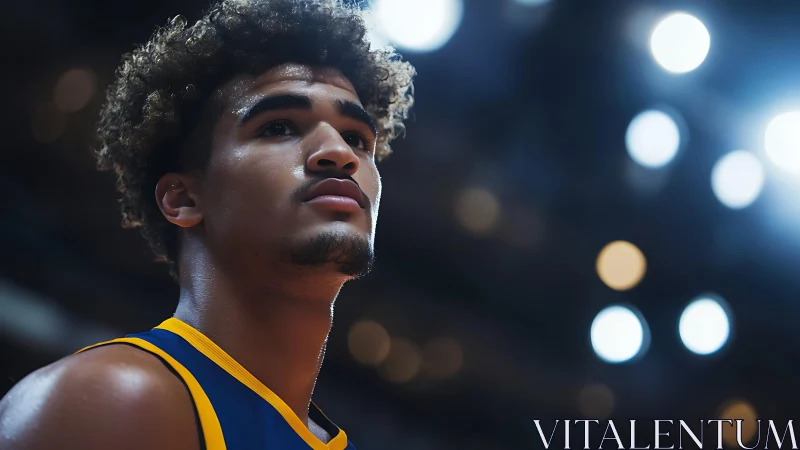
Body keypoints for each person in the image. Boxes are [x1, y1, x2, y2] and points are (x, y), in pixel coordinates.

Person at [0, 0, 415, 448]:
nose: (340, 153)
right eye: (278, 127)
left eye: (357, 138)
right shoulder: (114, 399)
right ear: (183, 199)